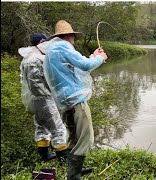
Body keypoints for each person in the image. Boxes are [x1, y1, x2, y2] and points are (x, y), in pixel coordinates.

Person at [42, 20, 107, 179]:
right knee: (85, 138)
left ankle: (75, 171)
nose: (74, 40)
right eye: (73, 37)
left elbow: (77, 67)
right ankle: (74, 175)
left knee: (73, 137)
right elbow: (84, 66)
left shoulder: (52, 50)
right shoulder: (63, 47)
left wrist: (93, 56)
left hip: (65, 103)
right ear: (69, 35)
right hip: (76, 101)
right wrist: (100, 58)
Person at [18, 33, 68, 162]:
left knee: (42, 127)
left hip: (34, 100)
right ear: (41, 42)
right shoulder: (37, 59)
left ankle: (44, 156)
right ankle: (64, 160)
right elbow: (38, 83)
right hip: (43, 98)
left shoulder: (27, 58)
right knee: (58, 129)